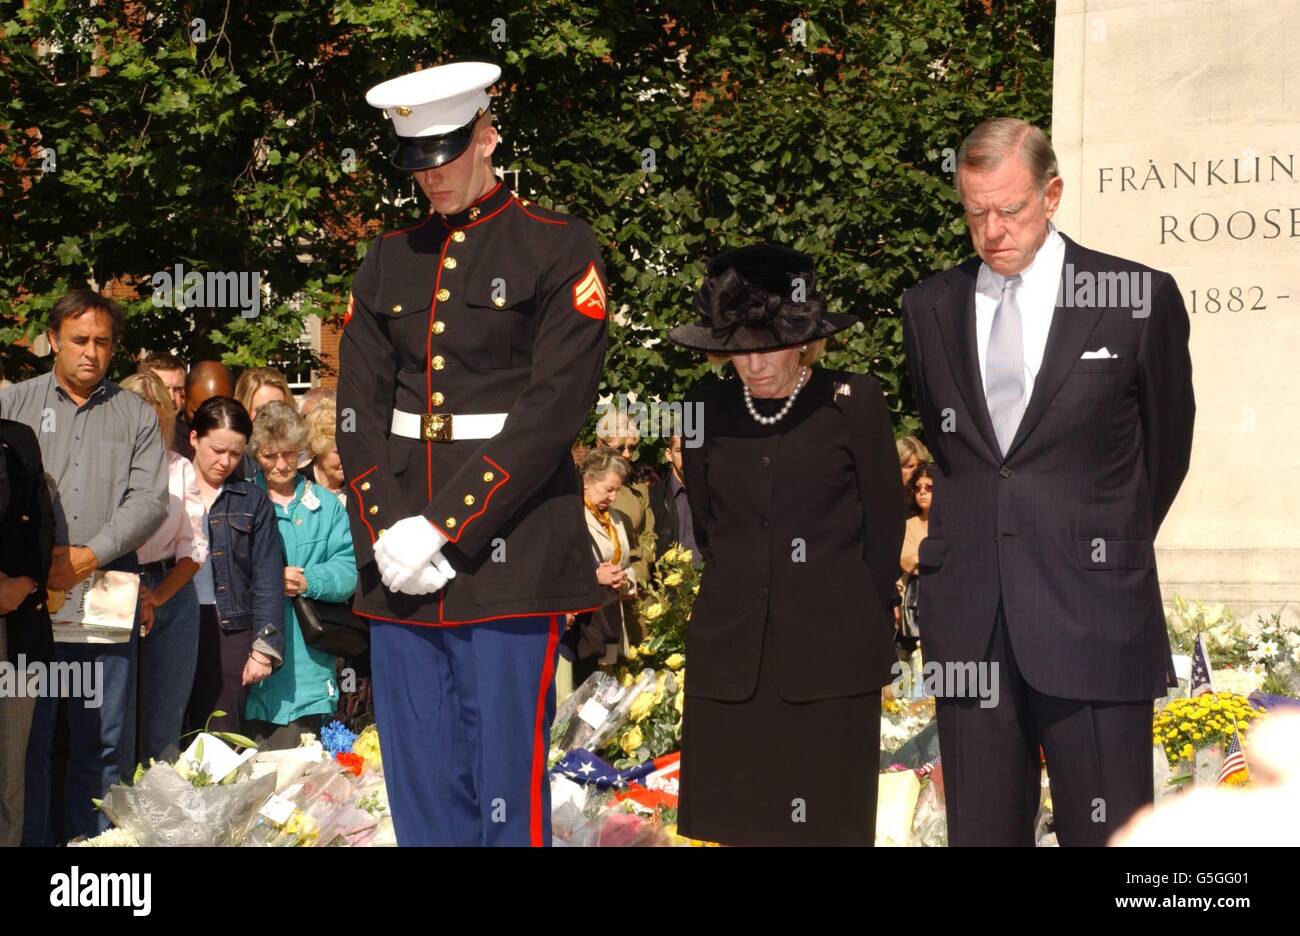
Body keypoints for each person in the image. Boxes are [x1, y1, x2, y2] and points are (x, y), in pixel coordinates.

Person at [900, 118, 1195, 846]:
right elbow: (954, 450)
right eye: (975, 212)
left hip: (1093, 611)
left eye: (1011, 209)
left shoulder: (1134, 296)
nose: (992, 230)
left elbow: (1166, 447)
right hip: (971, 618)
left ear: (1053, 194)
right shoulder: (928, 306)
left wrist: (1090, 539)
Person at [336, 61, 608, 846]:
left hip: (509, 553)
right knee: (419, 776)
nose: (432, 178)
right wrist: (391, 527)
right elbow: (356, 408)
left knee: (500, 778)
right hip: (396, 564)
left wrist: (443, 526)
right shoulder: (386, 258)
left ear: (488, 136)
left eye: (447, 155)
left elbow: (552, 411)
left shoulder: (558, 245)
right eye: (417, 163)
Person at [666, 244, 904, 846]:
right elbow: (710, 524)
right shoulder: (702, 409)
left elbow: (883, 525)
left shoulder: (855, 401)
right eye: (740, 350)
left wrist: (855, 613)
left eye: (768, 347)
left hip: (833, 657)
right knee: (739, 821)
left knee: (828, 823)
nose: (754, 366)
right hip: (732, 651)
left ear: (804, 340)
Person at [0, 289, 169, 844]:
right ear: (53, 340)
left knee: (102, 740)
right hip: (24, 599)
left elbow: (149, 502)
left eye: (102, 342)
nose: (91, 353)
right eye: (79, 340)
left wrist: (86, 555)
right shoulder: (13, 405)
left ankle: (93, 857)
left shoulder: (136, 415)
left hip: (103, 588)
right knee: (29, 742)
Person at [243, 402, 357, 749]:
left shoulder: (326, 505)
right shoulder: (243, 499)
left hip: (309, 664)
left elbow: (349, 570)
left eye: (290, 455)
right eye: (269, 455)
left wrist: (310, 581)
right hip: (251, 658)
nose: (280, 465)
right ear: (255, 453)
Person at [119, 372, 207, 763]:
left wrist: (156, 596)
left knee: (164, 724)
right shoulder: (107, 472)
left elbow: (193, 549)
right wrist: (135, 593)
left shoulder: (180, 468)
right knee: (115, 720)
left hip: (170, 593)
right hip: (116, 588)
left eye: (157, 422)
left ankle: (158, 816)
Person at [184, 397, 284, 737]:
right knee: (170, 729)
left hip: (231, 628)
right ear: (194, 438)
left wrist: (263, 648)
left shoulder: (252, 500)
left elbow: (269, 576)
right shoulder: (169, 491)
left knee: (223, 735)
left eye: (236, 454)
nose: (225, 462)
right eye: (217, 450)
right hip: (175, 620)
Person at [0, 417, 55, 846]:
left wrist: (28, 581)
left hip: (18, 627)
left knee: (10, 770)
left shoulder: (18, 438)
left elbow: (41, 520)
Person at [649, 434, 701, 568]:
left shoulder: (714, 496)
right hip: (668, 583)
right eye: (680, 451)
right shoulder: (654, 496)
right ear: (669, 454)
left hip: (708, 582)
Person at [896, 463, 932, 654]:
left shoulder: (950, 525)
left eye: (929, 487)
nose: (922, 492)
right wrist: (935, 556)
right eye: (918, 488)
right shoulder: (909, 525)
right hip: (915, 601)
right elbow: (907, 561)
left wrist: (921, 556)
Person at [234, 366, 293, 482]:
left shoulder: (299, 454)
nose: (271, 417)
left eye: (278, 408)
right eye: (262, 410)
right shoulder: (232, 459)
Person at [177, 361, 235, 460]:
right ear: (183, 398)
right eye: (197, 414)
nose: (207, 423)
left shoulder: (238, 438)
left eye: (218, 414)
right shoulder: (168, 441)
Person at [137, 351, 187, 448]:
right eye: (163, 388)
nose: (171, 397)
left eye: (177, 389)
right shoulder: (128, 432)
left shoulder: (190, 440)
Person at [303, 397, 346, 503]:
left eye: (350, 452)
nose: (347, 459)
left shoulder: (361, 486)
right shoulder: (299, 483)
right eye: (338, 452)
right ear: (320, 448)